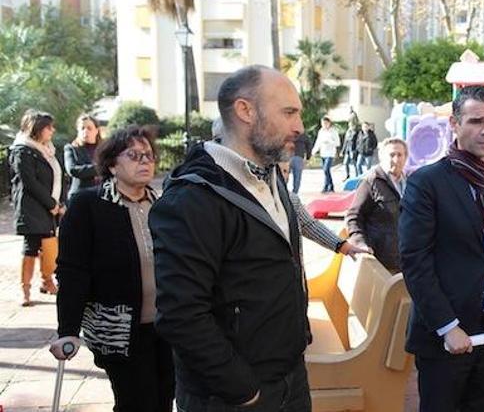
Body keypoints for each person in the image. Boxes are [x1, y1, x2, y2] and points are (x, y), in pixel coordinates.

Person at [149, 65, 370, 411]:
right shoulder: (193, 198)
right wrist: (243, 389)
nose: (299, 126)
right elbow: (181, 313)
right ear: (245, 110)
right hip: (234, 395)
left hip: (290, 377)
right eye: (289, 112)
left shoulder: (271, 176)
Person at [398, 85, 484, 412]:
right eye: (475, 121)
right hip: (443, 335)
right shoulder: (427, 182)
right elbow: (415, 260)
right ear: (454, 125)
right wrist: (447, 325)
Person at [51, 126, 174, 411]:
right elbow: (73, 271)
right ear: (111, 165)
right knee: (136, 402)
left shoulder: (164, 205)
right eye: (133, 155)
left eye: (148, 155)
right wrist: (67, 329)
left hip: (168, 326)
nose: (144, 161)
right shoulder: (88, 206)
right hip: (118, 331)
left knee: (164, 399)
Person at [9, 110, 64, 306]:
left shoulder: (47, 149)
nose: (52, 130)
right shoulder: (22, 150)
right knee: (31, 246)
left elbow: (56, 179)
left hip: (48, 205)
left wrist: (58, 203)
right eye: (48, 127)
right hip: (32, 207)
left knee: (50, 244)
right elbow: (30, 182)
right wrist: (51, 204)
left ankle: (47, 281)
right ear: (37, 128)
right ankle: (25, 289)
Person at [345, 137, 408, 273]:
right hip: (381, 261)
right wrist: (359, 241)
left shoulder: (411, 183)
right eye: (392, 155)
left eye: (400, 155)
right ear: (382, 157)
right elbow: (353, 216)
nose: (396, 159)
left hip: (406, 259)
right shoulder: (371, 182)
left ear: (406, 157)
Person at [64, 114, 103, 202]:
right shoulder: (71, 148)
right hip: (80, 198)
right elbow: (72, 170)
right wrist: (100, 168)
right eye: (82, 128)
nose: (85, 131)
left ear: (96, 130)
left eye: (89, 128)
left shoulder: (104, 149)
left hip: (102, 197)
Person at [312, 116, 340, 192]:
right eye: (323, 123)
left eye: (326, 123)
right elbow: (318, 142)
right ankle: (330, 186)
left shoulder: (333, 131)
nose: (324, 125)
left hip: (330, 153)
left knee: (326, 169)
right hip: (323, 153)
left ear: (329, 123)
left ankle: (326, 186)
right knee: (326, 171)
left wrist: (330, 141)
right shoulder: (321, 131)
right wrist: (313, 151)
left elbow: (337, 143)